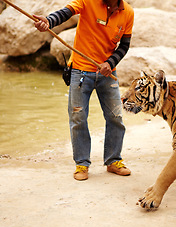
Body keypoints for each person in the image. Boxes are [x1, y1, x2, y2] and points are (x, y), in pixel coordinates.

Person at [34, 0, 134, 181]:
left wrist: (110, 64)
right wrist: (48, 21)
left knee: (116, 117)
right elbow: (66, 12)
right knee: (78, 118)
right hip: (80, 71)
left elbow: (124, 46)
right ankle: (82, 164)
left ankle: (113, 161)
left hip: (107, 72)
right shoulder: (88, 1)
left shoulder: (128, 13)